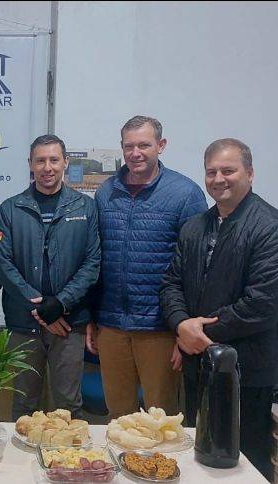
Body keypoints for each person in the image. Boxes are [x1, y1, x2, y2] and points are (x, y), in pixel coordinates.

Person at [160, 138, 278, 479]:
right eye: (211, 172)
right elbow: (171, 284)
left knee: (244, 464)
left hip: (246, 371)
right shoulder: (195, 226)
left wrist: (197, 333)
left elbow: (263, 302)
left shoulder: (269, 226)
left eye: (228, 170)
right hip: (199, 367)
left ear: (250, 173)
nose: (218, 179)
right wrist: (181, 324)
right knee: (199, 454)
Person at [87, 116, 207, 418]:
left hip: (160, 328)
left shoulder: (185, 194)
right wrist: (91, 317)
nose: (135, 153)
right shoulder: (106, 192)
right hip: (111, 327)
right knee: (119, 420)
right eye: (129, 146)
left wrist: (183, 329)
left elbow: (197, 268)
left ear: (161, 146)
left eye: (144, 145)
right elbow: (95, 260)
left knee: (161, 420)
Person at [0, 135, 101, 420]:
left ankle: (66, 452)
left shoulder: (84, 207)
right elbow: (1, 263)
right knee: (23, 405)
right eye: (40, 160)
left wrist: (61, 304)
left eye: (54, 160)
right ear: (30, 164)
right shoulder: (11, 208)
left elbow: (92, 263)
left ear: (65, 162)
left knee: (68, 406)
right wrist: (41, 308)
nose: (47, 167)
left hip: (69, 324)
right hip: (23, 324)